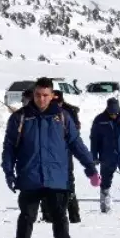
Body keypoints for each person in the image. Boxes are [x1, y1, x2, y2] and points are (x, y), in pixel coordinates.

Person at [2, 78, 100, 238]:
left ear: (53, 95)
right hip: (29, 176)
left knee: (59, 216)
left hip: (56, 177)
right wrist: (9, 172)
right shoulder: (20, 117)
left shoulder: (62, 117)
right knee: (27, 216)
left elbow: (76, 144)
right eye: (38, 95)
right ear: (33, 95)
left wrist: (90, 168)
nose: (41, 99)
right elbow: (9, 148)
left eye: (45, 95)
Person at [90, 98, 120, 214]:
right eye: (111, 113)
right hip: (107, 156)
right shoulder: (99, 120)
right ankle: (105, 207)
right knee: (105, 182)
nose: (113, 115)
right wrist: (94, 156)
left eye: (115, 113)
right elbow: (94, 139)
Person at [51, 90, 84, 225]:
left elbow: (74, 132)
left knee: (68, 182)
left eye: (58, 102)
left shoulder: (69, 111)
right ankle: (49, 215)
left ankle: (74, 215)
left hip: (65, 151)